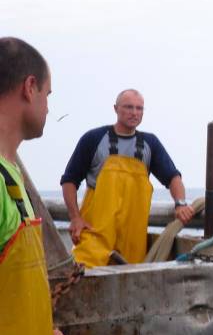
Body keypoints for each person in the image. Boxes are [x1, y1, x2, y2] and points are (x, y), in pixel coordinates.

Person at [0, 37, 71, 335]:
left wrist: (39, 333)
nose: (48, 107)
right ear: (29, 88)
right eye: (48, 94)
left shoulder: (11, 175)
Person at [60, 89, 195, 268]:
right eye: (129, 107)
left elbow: (173, 178)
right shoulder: (93, 139)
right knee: (81, 275)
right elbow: (69, 180)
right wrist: (75, 218)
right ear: (116, 109)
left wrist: (180, 203)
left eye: (139, 108)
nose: (134, 112)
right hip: (95, 234)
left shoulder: (150, 143)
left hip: (132, 242)